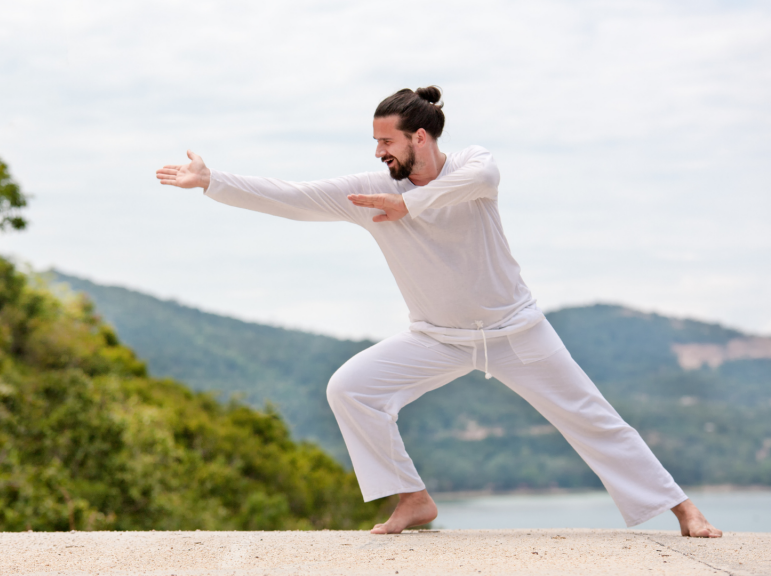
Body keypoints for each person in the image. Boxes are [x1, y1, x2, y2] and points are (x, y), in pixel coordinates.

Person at [155, 86, 722, 538]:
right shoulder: (370, 188)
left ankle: (682, 509)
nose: (378, 153)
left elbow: (483, 179)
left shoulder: (472, 167)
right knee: (350, 388)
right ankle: (413, 498)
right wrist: (214, 181)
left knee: (591, 416)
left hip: (516, 331)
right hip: (437, 338)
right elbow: (296, 197)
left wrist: (409, 204)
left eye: (386, 142)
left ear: (419, 137)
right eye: (376, 143)